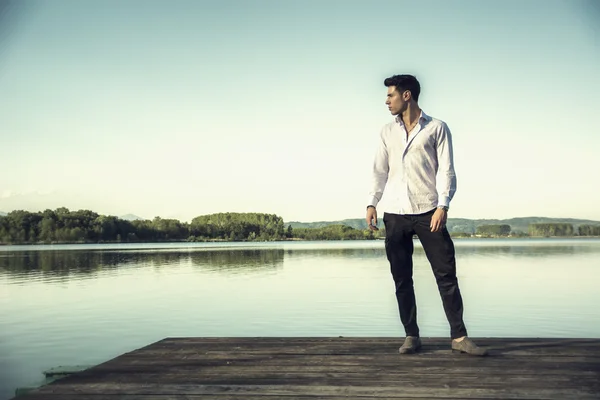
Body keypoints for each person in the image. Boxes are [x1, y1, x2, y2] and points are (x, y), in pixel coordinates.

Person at [366, 74, 487, 356]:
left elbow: (446, 170)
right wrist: (372, 203)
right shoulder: (387, 132)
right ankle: (411, 335)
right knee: (401, 278)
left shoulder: (437, 128)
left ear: (407, 95)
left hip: (429, 211)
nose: (386, 101)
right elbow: (379, 171)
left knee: (446, 275)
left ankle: (459, 337)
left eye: (390, 95)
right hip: (395, 213)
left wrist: (443, 206)